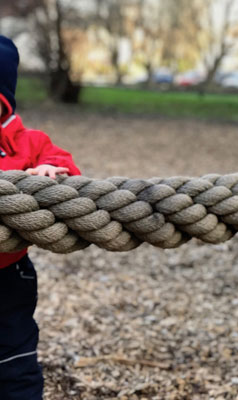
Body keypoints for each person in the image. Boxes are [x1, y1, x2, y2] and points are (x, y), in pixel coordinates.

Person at [0, 35, 80, 399]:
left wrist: (50, 170)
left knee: (14, 357)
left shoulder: (30, 142)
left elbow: (68, 169)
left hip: (9, 274)